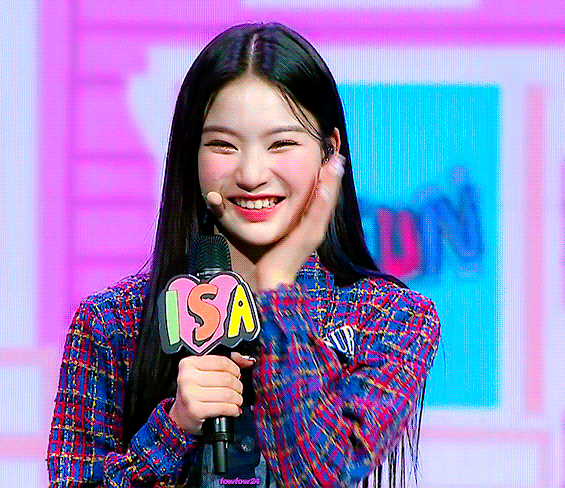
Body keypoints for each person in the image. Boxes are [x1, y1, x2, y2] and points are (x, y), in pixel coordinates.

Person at [47, 22, 440, 488]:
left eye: (281, 143)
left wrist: (278, 294)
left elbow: (322, 475)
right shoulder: (113, 323)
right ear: (191, 155)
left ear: (329, 152)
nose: (251, 175)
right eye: (223, 145)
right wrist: (173, 428)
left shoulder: (388, 317)